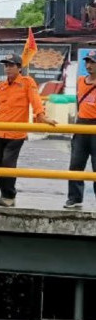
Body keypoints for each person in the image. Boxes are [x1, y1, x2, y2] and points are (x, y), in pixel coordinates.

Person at [0, 53, 57, 207]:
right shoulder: (0, 86)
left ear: (19, 67)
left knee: (8, 163)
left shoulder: (27, 82)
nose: (8, 68)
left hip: (16, 133)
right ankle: (4, 194)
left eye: (11, 65)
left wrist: (41, 116)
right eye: (6, 65)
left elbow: (35, 100)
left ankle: (9, 195)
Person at [64, 49, 96, 209]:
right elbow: (79, 103)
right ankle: (75, 198)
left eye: (92, 62)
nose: (89, 65)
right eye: (87, 62)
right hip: (82, 125)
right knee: (76, 164)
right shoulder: (80, 81)